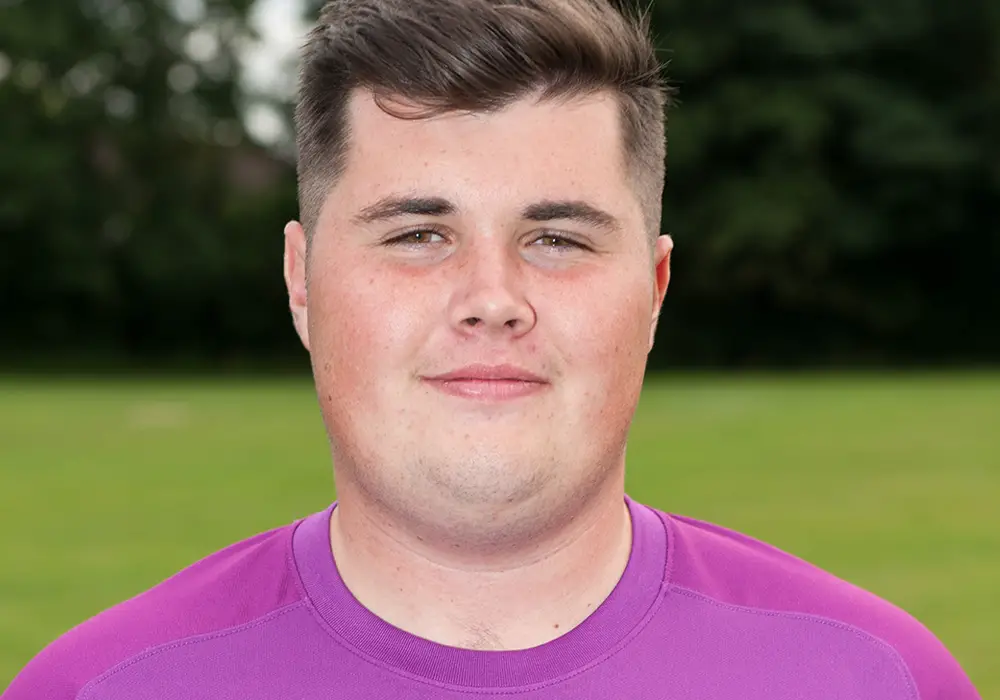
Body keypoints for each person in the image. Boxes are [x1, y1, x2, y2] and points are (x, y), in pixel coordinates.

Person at [4, 0, 981, 697]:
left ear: (652, 290)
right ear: (301, 282)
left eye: (557, 238)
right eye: (417, 234)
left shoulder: (871, 675)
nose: (491, 299)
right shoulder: (99, 686)